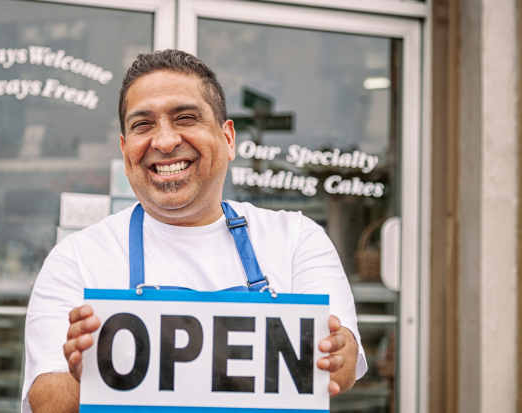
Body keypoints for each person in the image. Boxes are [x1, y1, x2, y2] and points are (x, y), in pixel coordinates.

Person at [22, 49, 367, 412]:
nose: (165, 141)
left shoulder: (296, 238)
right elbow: (45, 400)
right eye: (143, 125)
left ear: (228, 138)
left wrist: (337, 350)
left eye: (185, 118)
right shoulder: (76, 258)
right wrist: (90, 376)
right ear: (126, 151)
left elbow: (340, 368)